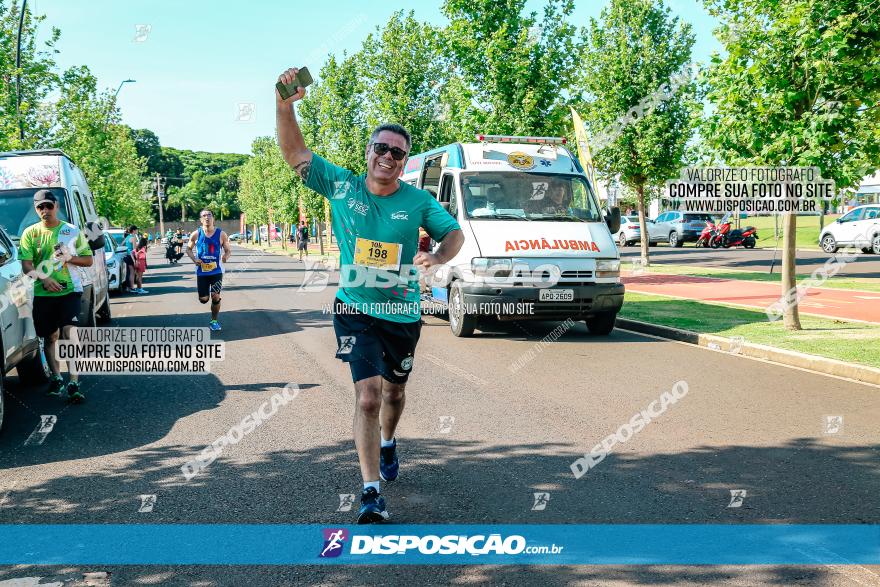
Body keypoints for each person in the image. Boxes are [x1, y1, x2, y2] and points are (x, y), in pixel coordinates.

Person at [276, 66, 464, 524]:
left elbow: (454, 234)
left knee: (394, 395)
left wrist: (437, 258)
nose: (388, 156)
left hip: (401, 314)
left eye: (397, 153)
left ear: (404, 161)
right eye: (381, 147)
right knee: (367, 397)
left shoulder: (418, 201)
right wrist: (284, 104)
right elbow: (295, 152)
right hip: (354, 309)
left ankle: (389, 441)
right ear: (368, 151)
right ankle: (370, 490)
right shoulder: (341, 184)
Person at [18, 189, 93, 403]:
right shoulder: (30, 233)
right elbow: (26, 265)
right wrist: (43, 279)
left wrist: (69, 257)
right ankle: (57, 378)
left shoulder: (70, 231)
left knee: (70, 333)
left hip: (70, 290)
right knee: (50, 336)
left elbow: (88, 260)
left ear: (56, 206)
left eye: (48, 206)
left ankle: (74, 382)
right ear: (36, 209)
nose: (45, 210)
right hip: (43, 293)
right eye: (40, 207)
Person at [186, 209, 230, 331]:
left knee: (215, 296)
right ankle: (205, 296)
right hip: (202, 272)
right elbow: (188, 249)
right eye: (204, 216)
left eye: (209, 215)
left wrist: (225, 256)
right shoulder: (196, 234)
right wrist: (195, 259)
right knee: (204, 299)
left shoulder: (221, 234)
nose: (207, 217)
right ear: (201, 220)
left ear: (213, 218)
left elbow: (228, 250)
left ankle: (214, 321)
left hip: (217, 271)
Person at [122, 225, 138, 293]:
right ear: (134, 230)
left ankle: (129, 287)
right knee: (132, 272)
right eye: (136, 230)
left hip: (127, 255)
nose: (137, 231)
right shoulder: (133, 237)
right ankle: (131, 287)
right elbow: (134, 249)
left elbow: (122, 244)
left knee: (128, 272)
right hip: (131, 256)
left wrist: (127, 249)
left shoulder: (127, 237)